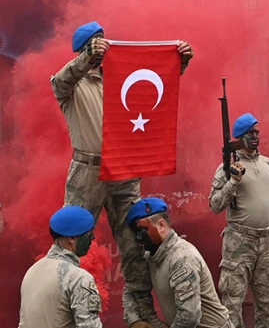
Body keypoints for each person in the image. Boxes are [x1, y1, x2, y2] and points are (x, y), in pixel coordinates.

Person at [52, 22, 192, 327]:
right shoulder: (73, 84)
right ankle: (64, 313)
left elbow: (154, 82)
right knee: (70, 239)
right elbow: (59, 82)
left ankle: (141, 313)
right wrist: (86, 59)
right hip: (87, 171)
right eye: (96, 43)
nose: (104, 47)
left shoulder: (119, 77)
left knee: (135, 239)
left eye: (103, 42)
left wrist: (178, 61)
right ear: (85, 47)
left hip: (123, 168)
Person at [208, 114, 269, 328]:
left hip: (267, 241)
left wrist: (266, 206)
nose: (255, 137)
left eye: (257, 133)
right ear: (239, 137)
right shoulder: (227, 168)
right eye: (250, 133)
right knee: (232, 302)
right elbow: (215, 204)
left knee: (268, 302)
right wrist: (233, 182)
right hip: (239, 242)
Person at [124, 197, 232, 327]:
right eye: (136, 232)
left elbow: (189, 316)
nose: (138, 238)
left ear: (161, 225)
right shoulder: (150, 257)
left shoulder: (182, 257)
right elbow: (131, 288)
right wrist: (134, 321)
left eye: (142, 230)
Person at [19, 206, 102, 328]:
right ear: (72, 238)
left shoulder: (31, 272)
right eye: (89, 235)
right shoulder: (78, 277)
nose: (92, 239)